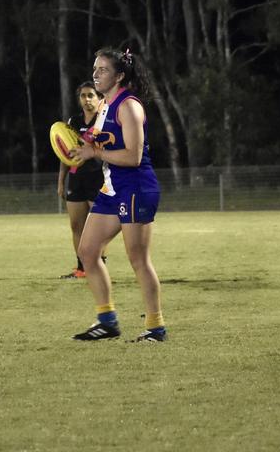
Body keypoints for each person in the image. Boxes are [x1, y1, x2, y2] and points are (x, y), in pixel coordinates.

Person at [67, 48, 166, 342]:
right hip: (112, 189)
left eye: (103, 70)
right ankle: (107, 321)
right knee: (87, 252)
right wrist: (74, 144)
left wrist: (94, 152)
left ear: (120, 76)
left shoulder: (128, 107)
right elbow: (96, 143)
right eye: (95, 69)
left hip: (136, 187)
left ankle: (156, 327)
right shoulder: (105, 107)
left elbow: (133, 156)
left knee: (138, 260)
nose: (96, 74)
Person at [55, 82, 106, 279]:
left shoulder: (103, 121)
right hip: (76, 179)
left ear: (99, 98)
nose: (87, 99)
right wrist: (61, 181)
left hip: (98, 179)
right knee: (77, 226)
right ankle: (82, 268)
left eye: (90, 95)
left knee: (99, 227)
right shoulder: (73, 121)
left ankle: (99, 265)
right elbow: (64, 153)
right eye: (83, 96)